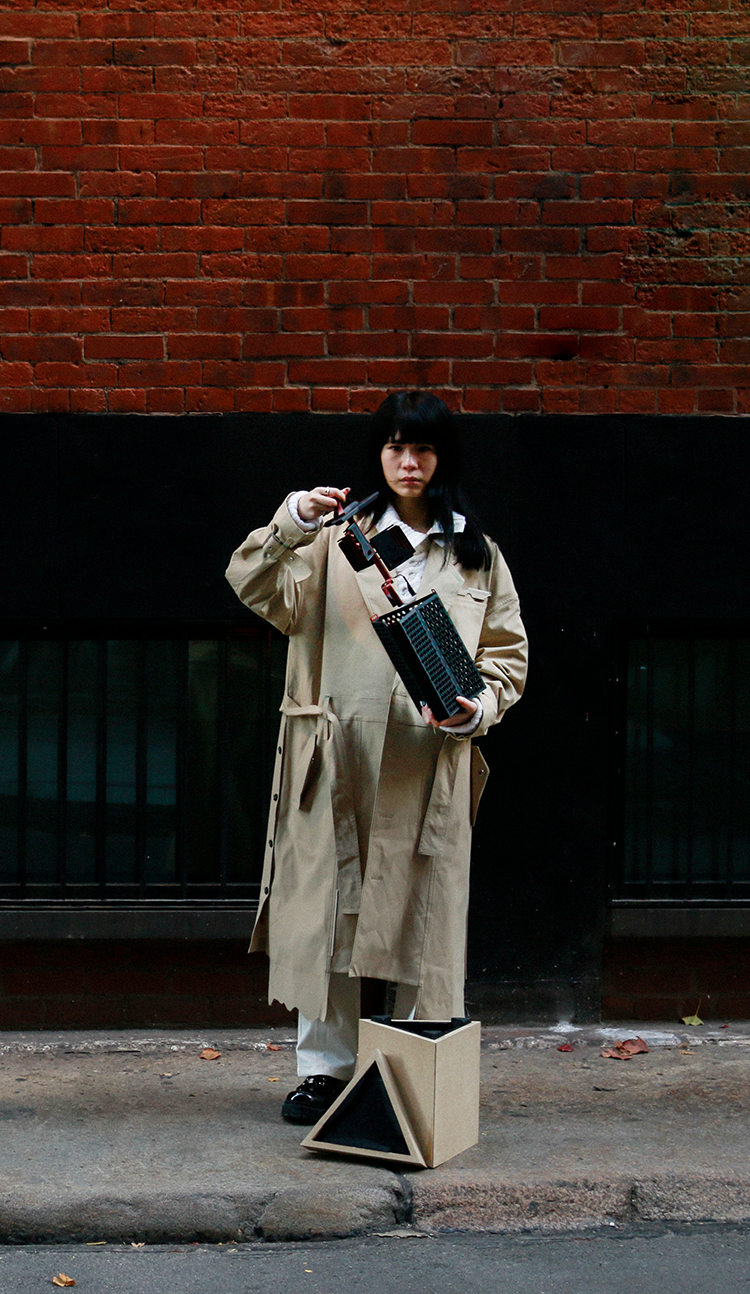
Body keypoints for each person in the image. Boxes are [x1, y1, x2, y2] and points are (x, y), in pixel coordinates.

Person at [225, 392, 528, 1126]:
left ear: (442, 458)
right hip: (338, 758)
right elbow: (255, 585)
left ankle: (416, 1071)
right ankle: (324, 1071)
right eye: (395, 447)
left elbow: (506, 656)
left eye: (422, 448)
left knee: (424, 915)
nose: (408, 462)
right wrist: (292, 520)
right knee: (331, 911)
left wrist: (477, 710)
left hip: (428, 762)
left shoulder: (476, 555)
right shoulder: (336, 540)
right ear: (378, 455)